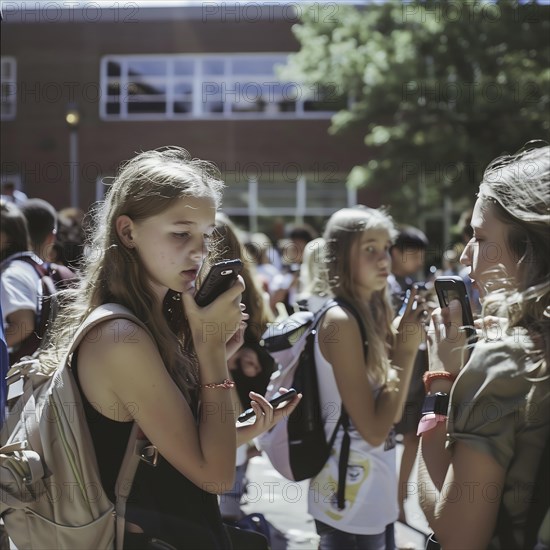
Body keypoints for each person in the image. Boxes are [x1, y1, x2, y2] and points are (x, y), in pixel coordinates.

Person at [36, 147, 301, 549]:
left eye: (206, 236)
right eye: (180, 233)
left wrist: (242, 423)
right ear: (128, 232)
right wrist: (210, 353)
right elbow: (215, 477)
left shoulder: (156, 321)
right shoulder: (119, 337)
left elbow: (163, 451)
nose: (198, 251)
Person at [417, 145, 550, 549]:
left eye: (479, 237)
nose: (465, 258)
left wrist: (441, 380)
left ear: (528, 249)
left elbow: (456, 534)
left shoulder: (509, 362)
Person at [307, 206, 429, 550]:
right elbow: (376, 430)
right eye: (369, 249)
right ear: (340, 257)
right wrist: (406, 351)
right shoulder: (340, 321)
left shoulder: (371, 313)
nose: (383, 260)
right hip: (348, 497)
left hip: (374, 490)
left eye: (386, 248)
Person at [386, 225, 432, 525]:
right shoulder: (389, 285)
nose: (418, 262)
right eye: (414, 255)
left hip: (412, 373)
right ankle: (394, 503)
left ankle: (398, 502)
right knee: (394, 440)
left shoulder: (406, 282)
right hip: (399, 373)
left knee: (409, 441)